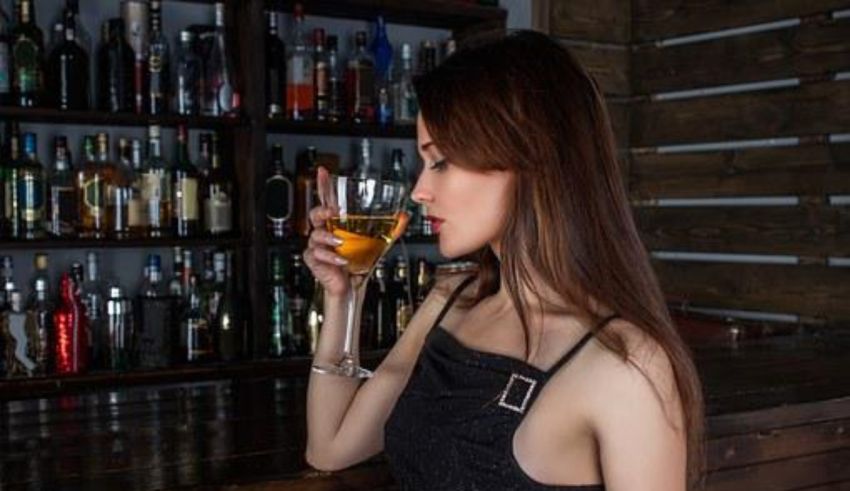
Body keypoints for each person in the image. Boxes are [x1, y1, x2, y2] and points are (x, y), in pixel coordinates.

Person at [302, 30, 705, 491]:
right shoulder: (453, 299)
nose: (418, 191)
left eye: (441, 162)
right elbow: (330, 447)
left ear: (528, 155)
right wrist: (346, 291)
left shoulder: (627, 364)